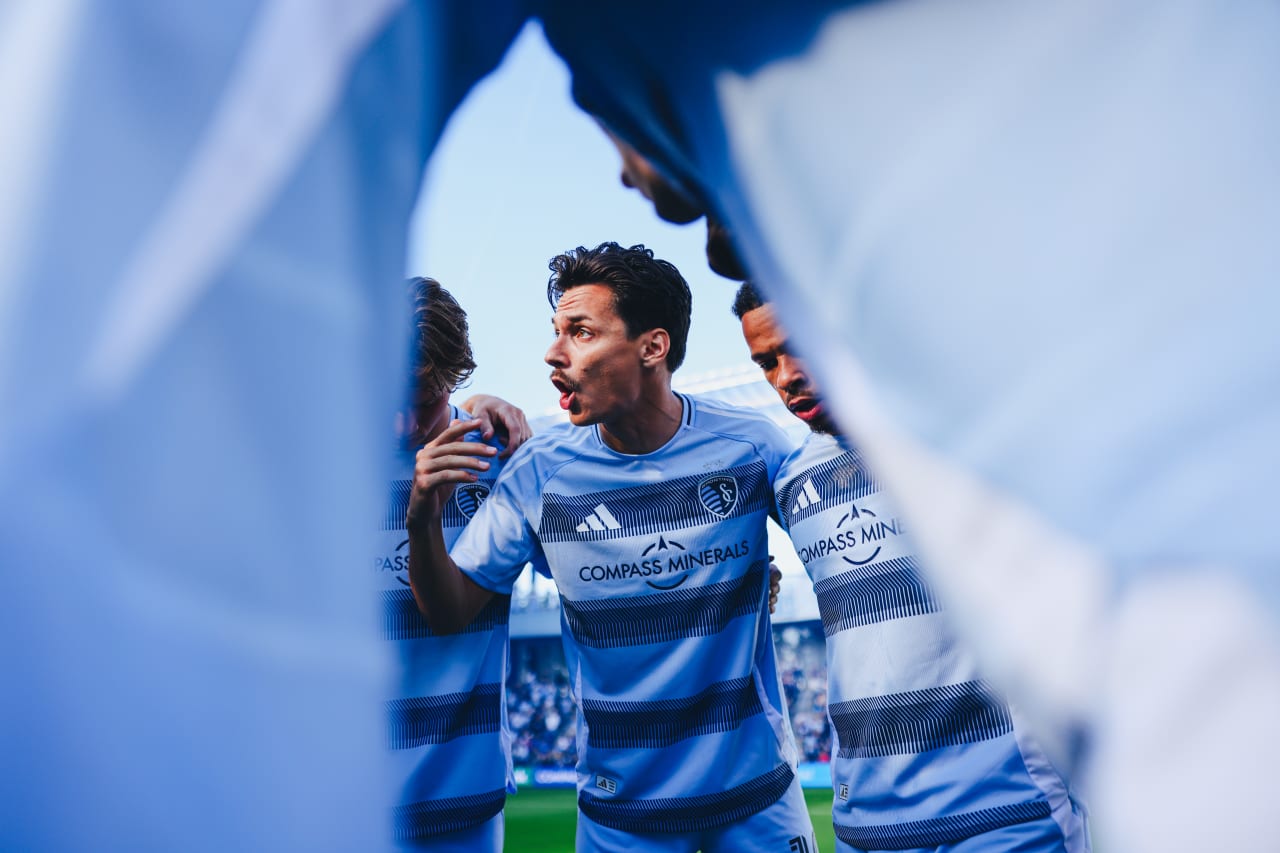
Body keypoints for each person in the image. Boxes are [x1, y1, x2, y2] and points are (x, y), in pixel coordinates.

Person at [406, 243, 816, 852]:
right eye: (556, 332)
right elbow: (447, 611)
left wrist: (762, 574)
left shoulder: (750, 444)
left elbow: (836, 539)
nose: (553, 352)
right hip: (622, 815)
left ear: (653, 347)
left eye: (580, 332)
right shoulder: (538, 472)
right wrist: (421, 519)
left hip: (756, 796)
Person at [733, 281, 1090, 852]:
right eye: (766, 362)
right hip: (867, 821)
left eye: (798, 347)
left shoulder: (967, 437)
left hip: (1005, 812)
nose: (784, 377)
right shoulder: (789, 477)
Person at [378, 276, 535, 851]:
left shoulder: (499, 462)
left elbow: (583, 565)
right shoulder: (324, 464)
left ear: (455, 376)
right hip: (346, 796)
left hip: (461, 802)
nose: (404, 425)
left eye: (422, 404)